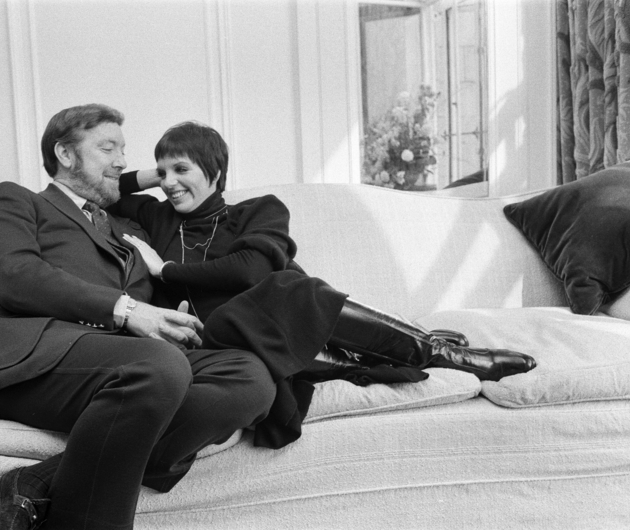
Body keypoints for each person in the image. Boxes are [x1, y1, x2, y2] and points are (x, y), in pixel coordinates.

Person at [111, 120, 537, 447]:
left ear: (216, 172)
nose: (168, 182)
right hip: (221, 338)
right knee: (292, 291)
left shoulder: (258, 210)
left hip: (281, 329)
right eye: (162, 172)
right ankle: (424, 350)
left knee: (288, 289)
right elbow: (109, 188)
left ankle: (440, 355)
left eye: (181, 169)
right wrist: (160, 169)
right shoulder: (157, 216)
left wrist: (165, 271)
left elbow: (252, 271)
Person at [0, 105, 277, 530]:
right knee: (159, 365)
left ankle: (40, 478)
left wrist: (173, 316)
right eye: (108, 148)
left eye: (124, 150)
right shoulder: (16, 200)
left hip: (134, 363)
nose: (123, 161)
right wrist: (127, 310)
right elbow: (14, 276)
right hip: (39, 361)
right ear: (65, 154)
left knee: (250, 378)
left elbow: (167, 282)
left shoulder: (128, 227)